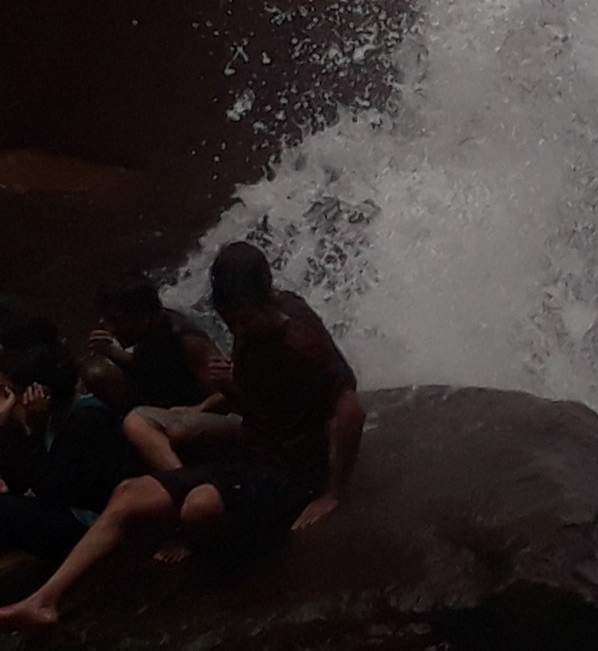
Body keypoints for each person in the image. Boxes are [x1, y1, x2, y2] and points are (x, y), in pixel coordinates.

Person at [0, 241, 364, 630]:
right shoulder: (250, 325)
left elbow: (350, 410)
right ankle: (43, 601)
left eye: (241, 319)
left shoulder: (301, 340)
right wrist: (231, 389)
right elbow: (253, 403)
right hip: (251, 452)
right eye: (229, 320)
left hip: (292, 468)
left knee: (199, 505)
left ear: (265, 298)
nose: (235, 329)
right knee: (130, 492)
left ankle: (219, 560)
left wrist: (332, 493)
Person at [90, 271, 239, 471]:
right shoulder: (149, 333)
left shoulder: (187, 341)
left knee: (166, 427)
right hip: (164, 402)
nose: (111, 329)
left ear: (143, 316)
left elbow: (229, 391)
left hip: (188, 416)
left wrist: (198, 409)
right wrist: (109, 351)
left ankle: (179, 474)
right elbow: (145, 366)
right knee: (97, 375)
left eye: (116, 320)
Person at [0, 343, 130, 568]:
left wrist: (31, 434)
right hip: (68, 510)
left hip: (97, 521)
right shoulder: (49, 422)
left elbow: (59, 489)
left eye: (9, 391)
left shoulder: (86, 418)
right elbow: (19, 484)